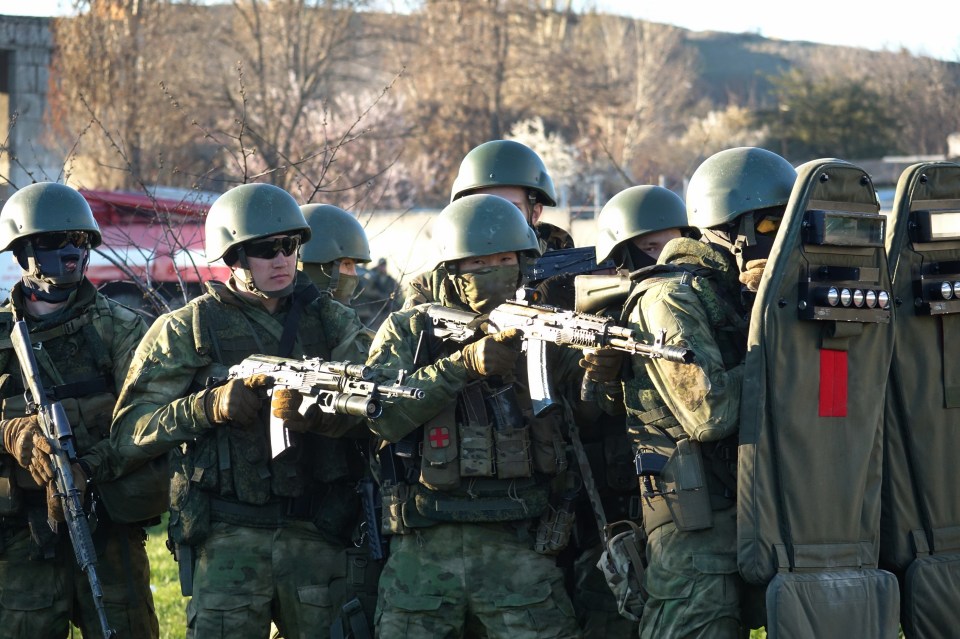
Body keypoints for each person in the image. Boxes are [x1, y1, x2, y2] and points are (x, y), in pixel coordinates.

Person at [110, 182, 372, 639]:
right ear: (233, 257)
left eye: (290, 245)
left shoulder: (331, 320)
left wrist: (320, 414)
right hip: (229, 538)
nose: (282, 259)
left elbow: (377, 411)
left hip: (317, 534)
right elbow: (129, 434)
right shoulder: (187, 328)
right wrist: (208, 406)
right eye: (265, 249)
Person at [582, 147, 797, 637]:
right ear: (729, 229)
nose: (778, 240)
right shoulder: (667, 297)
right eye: (768, 228)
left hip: (764, 515)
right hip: (696, 534)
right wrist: (782, 343)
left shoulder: (738, 291)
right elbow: (710, 413)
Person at [367, 193, 585, 638]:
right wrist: (462, 365)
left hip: (519, 544)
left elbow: (586, 417)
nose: (493, 271)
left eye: (505, 258)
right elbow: (382, 416)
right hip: (424, 548)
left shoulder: (542, 327)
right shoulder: (408, 330)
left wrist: (602, 373)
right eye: (477, 263)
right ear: (452, 267)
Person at [0, 181, 159, 638]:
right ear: (22, 250)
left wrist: (90, 466)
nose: (69, 251)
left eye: (79, 240)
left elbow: (149, 421)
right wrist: (12, 433)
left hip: (108, 528)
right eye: (52, 242)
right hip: (20, 541)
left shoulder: (122, 328)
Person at [569, 184, 699, 637]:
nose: (666, 254)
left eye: (675, 241)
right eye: (650, 247)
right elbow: (585, 413)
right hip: (627, 495)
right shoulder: (611, 311)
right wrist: (605, 374)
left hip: (689, 491)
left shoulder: (694, 302)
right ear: (623, 254)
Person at [402, 139, 575, 309]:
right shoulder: (433, 287)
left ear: (535, 213)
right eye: (482, 208)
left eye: (511, 208)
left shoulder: (569, 274)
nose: (496, 219)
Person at [299, 202, 371, 305]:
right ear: (319, 268)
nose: (354, 274)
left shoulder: (335, 316)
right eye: (347, 264)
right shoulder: (294, 316)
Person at [354, 258, 400, 331]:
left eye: (383, 265)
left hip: (387, 310)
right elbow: (367, 291)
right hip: (374, 310)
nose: (382, 267)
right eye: (381, 265)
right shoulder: (373, 277)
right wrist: (378, 295)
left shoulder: (390, 280)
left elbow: (396, 294)